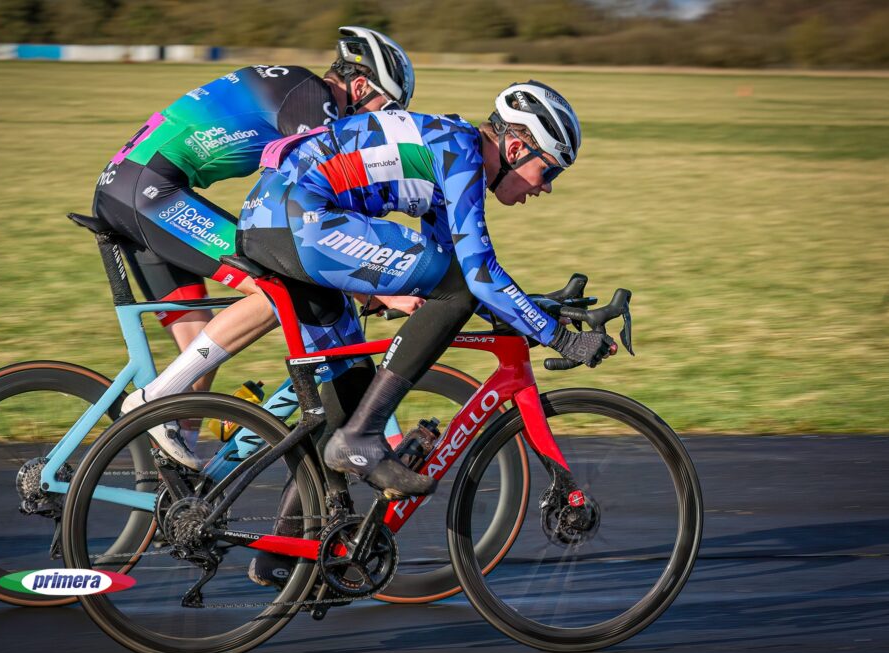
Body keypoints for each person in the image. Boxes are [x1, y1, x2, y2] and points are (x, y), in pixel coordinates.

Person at [236, 81, 615, 502]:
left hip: (274, 221)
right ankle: (363, 435)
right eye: (549, 171)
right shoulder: (460, 152)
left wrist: (535, 312)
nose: (546, 187)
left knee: (349, 398)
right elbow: (472, 279)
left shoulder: (450, 150)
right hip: (297, 220)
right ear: (514, 150)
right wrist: (560, 339)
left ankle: (286, 552)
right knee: (450, 294)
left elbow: (460, 269)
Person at [87, 27, 420, 461]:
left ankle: (180, 490)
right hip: (150, 194)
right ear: (359, 87)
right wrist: (375, 283)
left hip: (135, 189)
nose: (377, 121)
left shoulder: (296, 88)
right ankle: (150, 401)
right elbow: (319, 195)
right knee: (277, 289)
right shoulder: (313, 96)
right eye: (384, 107)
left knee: (198, 360)